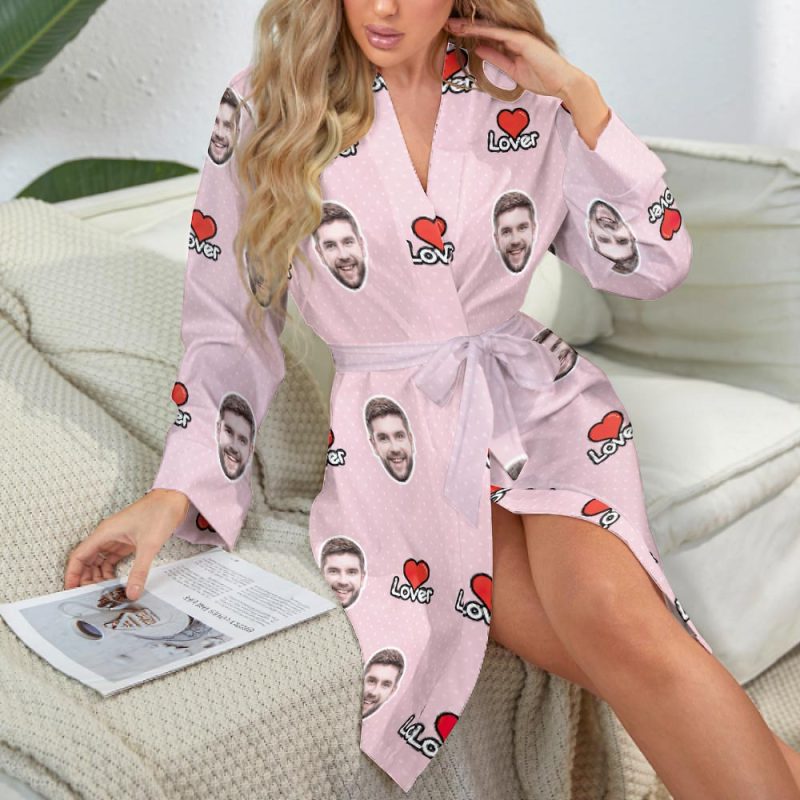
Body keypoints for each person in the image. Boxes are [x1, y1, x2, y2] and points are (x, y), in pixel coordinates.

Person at [64, 1, 800, 795]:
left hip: (546, 410)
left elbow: (653, 265)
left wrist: (580, 97)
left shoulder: (517, 93)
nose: (383, 8)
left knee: (615, 617)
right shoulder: (265, 105)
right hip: (400, 450)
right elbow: (228, 324)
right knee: (614, 643)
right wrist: (178, 489)